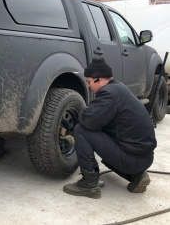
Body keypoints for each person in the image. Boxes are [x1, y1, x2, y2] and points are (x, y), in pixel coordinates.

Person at [63, 57, 157, 199]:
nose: (88, 86)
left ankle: (89, 185)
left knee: (81, 131)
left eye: (89, 82)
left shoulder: (109, 95)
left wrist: (83, 112)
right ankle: (136, 176)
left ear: (98, 79)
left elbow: (87, 120)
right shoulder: (119, 88)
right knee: (104, 149)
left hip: (132, 159)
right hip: (145, 158)